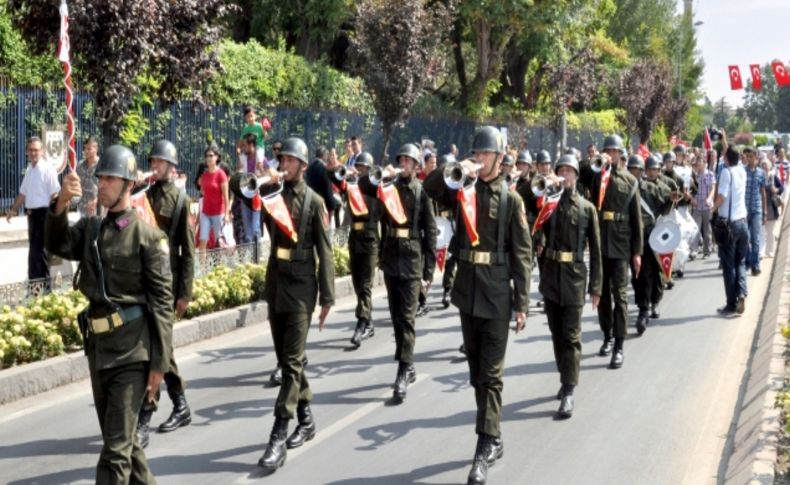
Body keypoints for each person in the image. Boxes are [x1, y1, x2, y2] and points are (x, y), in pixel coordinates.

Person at [45, 144, 173, 484]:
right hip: (99, 350)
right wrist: (60, 204)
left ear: (128, 184)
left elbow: (162, 306)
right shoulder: (91, 230)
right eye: (100, 177)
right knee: (126, 447)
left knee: (114, 456)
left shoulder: (148, 238)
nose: (101, 184)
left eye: (110, 179)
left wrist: (159, 365)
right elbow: (55, 244)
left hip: (133, 352)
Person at [423, 126, 531, 485]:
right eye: (477, 153)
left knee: (491, 375)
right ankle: (495, 433)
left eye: (485, 154)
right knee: (475, 374)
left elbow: (522, 253)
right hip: (468, 291)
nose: (481, 158)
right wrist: (457, 165)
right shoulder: (462, 189)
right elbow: (430, 189)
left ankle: (484, 444)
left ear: (500, 159)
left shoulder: (512, 200)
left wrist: (522, 304)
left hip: (498, 293)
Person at [257, 137, 334, 473]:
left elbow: (326, 250)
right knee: (287, 359)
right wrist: (262, 185)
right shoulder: (273, 195)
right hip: (276, 282)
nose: (283, 164)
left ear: (302, 165)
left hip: (303, 287)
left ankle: (278, 433)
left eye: (289, 160)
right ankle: (306, 417)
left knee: (290, 362)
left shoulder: (315, 202)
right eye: (282, 159)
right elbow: (250, 202)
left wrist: (328, 297)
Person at [137, 139, 195, 447]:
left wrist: (184, 292)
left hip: (167, 281)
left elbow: (188, 250)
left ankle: (144, 419)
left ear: (171, 167)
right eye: (153, 161)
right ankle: (182, 404)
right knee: (161, 347)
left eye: (160, 162)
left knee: (158, 348)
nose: (154, 165)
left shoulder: (181, 199)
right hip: (144, 279)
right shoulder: (143, 195)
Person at [536, 154, 600, 420]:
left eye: (569, 171)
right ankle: (565, 376)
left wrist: (596, 286)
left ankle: (569, 389)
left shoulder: (587, 209)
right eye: (561, 170)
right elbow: (534, 226)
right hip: (551, 276)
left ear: (576, 175)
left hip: (574, 278)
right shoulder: (547, 203)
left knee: (572, 337)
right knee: (556, 333)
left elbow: (596, 250)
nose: (564, 175)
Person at [378, 143, 437, 403]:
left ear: (415, 166)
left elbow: (431, 232)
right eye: (400, 160)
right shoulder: (389, 188)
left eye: (407, 161)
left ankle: (403, 369)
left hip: (412, 258)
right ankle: (408, 362)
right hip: (392, 258)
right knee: (395, 317)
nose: (403, 164)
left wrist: (429, 271)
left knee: (407, 317)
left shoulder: (421, 192)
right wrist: (383, 177)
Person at [592, 134, 642, 369]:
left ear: (621, 154)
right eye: (607, 150)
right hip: (601, 242)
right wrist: (596, 161)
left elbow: (637, 219)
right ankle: (607, 335)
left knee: (620, 296)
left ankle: (619, 345)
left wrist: (637, 252)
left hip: (621, 244)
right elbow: (581, 173)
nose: (610, 154)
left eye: (613, 151)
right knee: (601, 294)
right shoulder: (596, 176)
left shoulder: (630, 181)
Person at [336, 152, 382, 347]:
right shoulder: (352, 187)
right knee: (357, 283)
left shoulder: (376, 188)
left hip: (371, 238)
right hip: (355, 239)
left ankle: (361, 323)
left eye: (364, 168)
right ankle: (369, 321)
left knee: (365, 284)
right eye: (359, 167)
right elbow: (337, 183)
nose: (361, 171)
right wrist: (341, 172)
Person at [628, 155, 675, 334]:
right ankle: (644, 306)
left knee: (652, 272)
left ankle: (649, 305)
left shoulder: (652, 187)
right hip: (632, 237)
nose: (635, 173)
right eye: (631, 169)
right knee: (637, 275)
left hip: (650, 235)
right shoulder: (626, 188)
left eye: (637, 170)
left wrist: (671, 198)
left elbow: (665, 204)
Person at [5, 137, 61, 287]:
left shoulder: (48, 169)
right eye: (30, 150)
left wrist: (54, 217)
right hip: (32, 216)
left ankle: (44, 290)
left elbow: (55, 195)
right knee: (34, 253)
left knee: (40, 254)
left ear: (42, 151)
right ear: (27, 152)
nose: (33, 153)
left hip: (44, 215)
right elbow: (23, 193)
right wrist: (13, 210)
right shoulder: (30, 169)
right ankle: (34, 288)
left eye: (36, 150)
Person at [712, 144, 748, 315]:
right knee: (740, 261)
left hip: (730, 224)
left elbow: (722, 195)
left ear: (726, 158)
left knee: (728, 266)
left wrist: (713, 208)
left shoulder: (727, 172)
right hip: (743, 222)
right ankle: (741, 292)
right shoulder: (742, 171)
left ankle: (731, 303)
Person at [197, 144, 230, 251]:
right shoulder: (205, 174)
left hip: (218, 213)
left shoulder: (221, 174)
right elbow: (202, 190)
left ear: (217, 157)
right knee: (203, 240)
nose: (208, 158)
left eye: (211, 155)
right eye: (207, 156)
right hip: (206, 212)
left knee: (219, 242)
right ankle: (203, 267)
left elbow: (226, 196)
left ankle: (219, 267)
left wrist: (227, 214)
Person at [742, 146, 769, 276]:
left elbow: (763, 193)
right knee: (746, 238)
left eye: (751, 157)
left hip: (757, 210)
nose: (749, 159)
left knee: (755, 239)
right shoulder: (742, 172)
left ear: (756, 158)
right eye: (747, 157)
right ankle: (748, 260)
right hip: (744, 211)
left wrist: (765, 212)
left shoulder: (761, 173)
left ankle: (755, 265)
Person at [305, 147, 342, 222]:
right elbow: (327, 189)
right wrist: (332, 205)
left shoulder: (308, 168)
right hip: (323, 204)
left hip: (310, 202)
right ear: (324, 155)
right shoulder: (324, 168)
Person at [238, 134, 263, 243]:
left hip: (256, 195)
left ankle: (257, 254)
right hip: (245, 194)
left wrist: (261, 170)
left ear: (252, 145)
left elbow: (266, 173)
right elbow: (238, 171)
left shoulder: (261, 157)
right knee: (246, 225)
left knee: (255, 226)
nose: (244, 148)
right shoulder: (243, 158)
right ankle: (249, 255)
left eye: (245, 146)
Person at [690, 151, 716, 259]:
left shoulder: (710, 174)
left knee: (707, 230)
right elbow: (690, 190)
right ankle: (694, 251)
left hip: (706, 206)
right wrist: (692, 200)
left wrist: (710, 198)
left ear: (704, 162)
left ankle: (707, 250)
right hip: (697, 206)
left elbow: (713, 188)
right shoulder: (694, 176)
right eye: (697, 161)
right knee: (695, 228)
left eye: (700, 161)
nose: (699, 164)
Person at [763, 159, 784, 258]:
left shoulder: (773, 176)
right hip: (762, 206)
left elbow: (782, 187)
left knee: (770, 231)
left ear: (770, 166)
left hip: (772, 207)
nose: (765, 167)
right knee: (762, 231)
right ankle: (762, 251)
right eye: (763, 166)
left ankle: (770, 251)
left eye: (766, 165)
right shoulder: (760, 176)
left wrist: (776, 190)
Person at [76, 137, 101, 218]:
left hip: (97, 209)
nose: (86, 151)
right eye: (85, 148)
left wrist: (96, 201)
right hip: (82, 209)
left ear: (96, 149)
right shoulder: (80, 166)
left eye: (89, 149)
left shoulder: (102, 166)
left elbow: (107, 187)